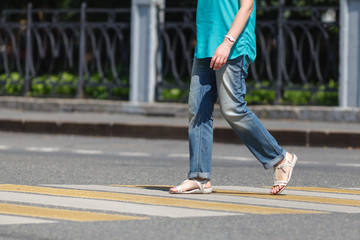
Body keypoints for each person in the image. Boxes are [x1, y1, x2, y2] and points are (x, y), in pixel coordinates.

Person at [169, 0, 298, 195]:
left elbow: (247, 7)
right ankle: (199, 177)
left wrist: (227, 42)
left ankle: (280, 158)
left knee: (232, 109)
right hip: (206, 44)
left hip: (232, 45)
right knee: (198, 110)